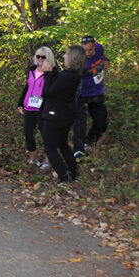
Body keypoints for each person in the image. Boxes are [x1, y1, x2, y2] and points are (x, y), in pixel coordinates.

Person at [41, 45, 86, 184]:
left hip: (56, 115)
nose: (64, 56)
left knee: (50, 147)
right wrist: (52, 70)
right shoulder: (73, 74)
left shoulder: (68, 76)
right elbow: (58, 82)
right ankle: (74, 174)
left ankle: (64, 177)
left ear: (72, 57)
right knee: (62, 144)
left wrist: (47, 74)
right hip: (66, 114)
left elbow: (48, 91)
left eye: (66, 54)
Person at [17, 47, 56, 168]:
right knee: (28, 133)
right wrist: (20, 103)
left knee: (46, 135)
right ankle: (32, 158)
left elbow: (52, 90)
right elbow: (27, 87)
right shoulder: (32, 69)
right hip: (29, 107)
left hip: (43, 108)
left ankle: (47, 160)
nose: (40, 59)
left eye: (43, 57)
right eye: (38, 56)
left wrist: (48, 73)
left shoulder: (54, 73)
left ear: (48, 58)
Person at [73, 36, 108, 156]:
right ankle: (78, 150)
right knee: (80, 123)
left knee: (102, 123)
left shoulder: (99, 48)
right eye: (84, 51)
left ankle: (89, 141)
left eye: (90, 50)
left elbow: (103, 58)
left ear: (94, 47)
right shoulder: (78, 60)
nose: (87, 53)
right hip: (83, 95)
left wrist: (106, 61)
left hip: (98, 92)